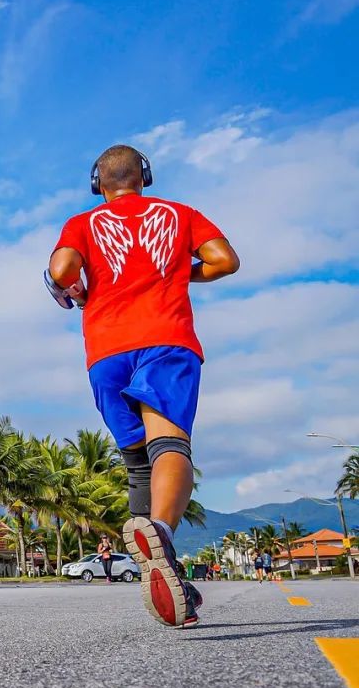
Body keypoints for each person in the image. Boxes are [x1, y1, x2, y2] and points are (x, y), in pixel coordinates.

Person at [46, 145, 240, 628]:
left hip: (105, 352)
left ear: (98, 183)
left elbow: (62, 271)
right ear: (144, 176)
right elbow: (224, 261)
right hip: (165, 341)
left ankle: (170, 578)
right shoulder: (180, 214)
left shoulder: (82, 223)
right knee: (169, 444)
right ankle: (161, 534)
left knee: (137, 464)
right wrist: (179, 273)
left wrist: (77, 290)